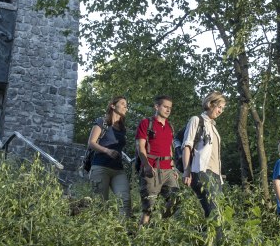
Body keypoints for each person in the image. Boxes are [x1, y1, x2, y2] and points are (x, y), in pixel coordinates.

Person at [182, 91, 226, 218]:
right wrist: (186, 171)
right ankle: (217, 238)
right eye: (219, 107)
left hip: (216, 176)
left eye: (222, 108)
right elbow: (187, 146)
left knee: (216, 213)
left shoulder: (213, 127)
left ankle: (206, 237)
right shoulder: (196, 120)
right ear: (210, 104)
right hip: (202, 171)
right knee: (214, 212)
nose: (220, 111)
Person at [135, 95, 179, 225]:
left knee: (175, 199)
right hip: (152, 169)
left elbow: (170, 149)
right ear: (156, 106)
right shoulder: (146, 123)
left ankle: (159, 227)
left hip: (168, 170)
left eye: (170, 108)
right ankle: (141, 237)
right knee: (148, 207)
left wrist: (173, 167)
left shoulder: (170, 126)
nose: (168, 110)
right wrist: (146, 165)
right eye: (165, 106)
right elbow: (140, 146)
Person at [87, 95, 131, 217]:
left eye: (126, 105)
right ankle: (98, 233)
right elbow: (91, 143)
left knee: (125, 201)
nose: (125, 106)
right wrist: (107, 151)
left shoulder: (122, 128)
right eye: (122, 103)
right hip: (101, 167)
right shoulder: (102, 122)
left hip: (118, 170)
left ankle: (123, 231)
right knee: (100, 204)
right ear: (112, 106)